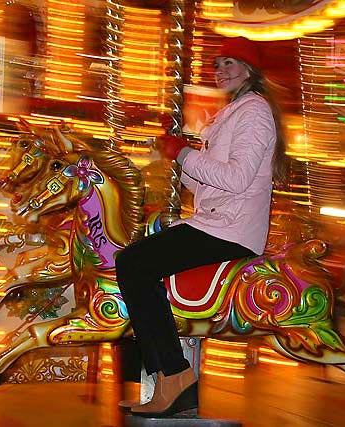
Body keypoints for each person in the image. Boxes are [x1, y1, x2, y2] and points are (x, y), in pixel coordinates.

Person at [115, 36, 285, 418]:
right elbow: (205, 183)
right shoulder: (232, 112)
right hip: (215, 219)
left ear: (249, 70)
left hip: (232, 227)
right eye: (217, 63)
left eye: (230, 62)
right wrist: (175, 154)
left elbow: (238, 178)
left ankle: (175, 375)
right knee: (135, 260)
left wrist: (186, 153)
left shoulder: (254, 111)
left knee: (133, 263)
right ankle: (170, 382)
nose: (220, 69)